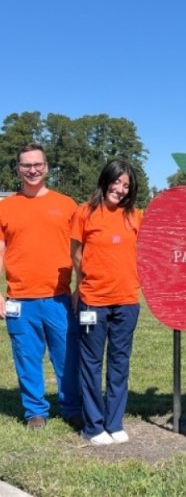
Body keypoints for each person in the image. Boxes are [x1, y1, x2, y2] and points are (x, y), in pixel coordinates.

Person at [0, 142, 81, 429]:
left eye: (37, 164)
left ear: (46, 167)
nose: (32, 170)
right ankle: (35, 411)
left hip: (58, 298)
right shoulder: (6, 207)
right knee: (26, 357)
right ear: (18, 169)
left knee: (68, 357)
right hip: (19, 300)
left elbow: (79, 252)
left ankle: (72, 406)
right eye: (26, 165)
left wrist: (79, 289)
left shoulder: (66, 205)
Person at [71, 160, 141, 446]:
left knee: (119, 362)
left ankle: (114, 422)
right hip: (94, 301)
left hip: (127, 301)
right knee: (91, 363)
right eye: (117, 182)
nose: (120, 189)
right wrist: (81, 285)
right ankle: (93, 426)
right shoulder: (84, 212)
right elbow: (76, 254)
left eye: (126, 186)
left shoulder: (136, 216)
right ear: (105, 180)